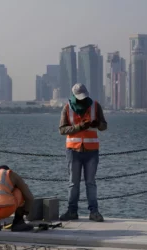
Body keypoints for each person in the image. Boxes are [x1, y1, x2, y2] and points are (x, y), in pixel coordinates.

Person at [59, 83, 107, 222]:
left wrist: (97, 124)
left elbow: (104, 126)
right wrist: (80, 126)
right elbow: (62, 129)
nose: (82, 100)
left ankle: (94, 212)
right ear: (74, 95)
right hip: (73, 150)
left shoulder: (95, 106)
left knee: (90, 183)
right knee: (73, 183)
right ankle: (72, 211)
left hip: (91, 151)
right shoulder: (67, 107)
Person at [0, 165, 34, 231]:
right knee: (18, 191)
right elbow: (29, 197)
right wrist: (26, 211)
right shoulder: (10, 174)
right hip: (6, 209)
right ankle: (18, 223)